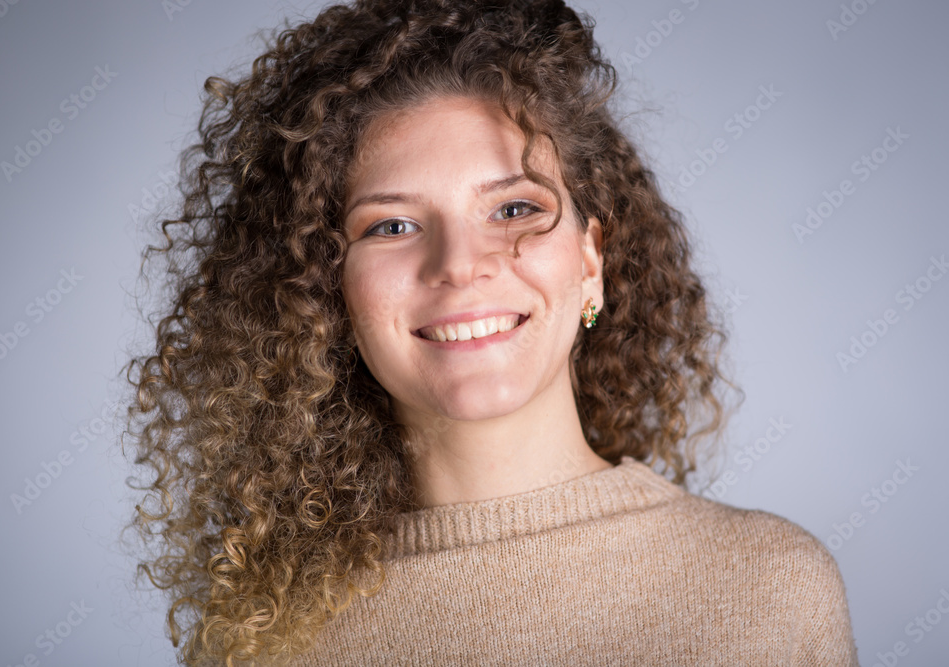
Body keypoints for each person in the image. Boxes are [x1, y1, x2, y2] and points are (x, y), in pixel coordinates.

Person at [120, 0, 859, 664]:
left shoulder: (771, 590)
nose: (459, 266)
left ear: (590, 260)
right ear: (323, 291)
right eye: (393, 225)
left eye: (514, 210)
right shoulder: (263, 640)